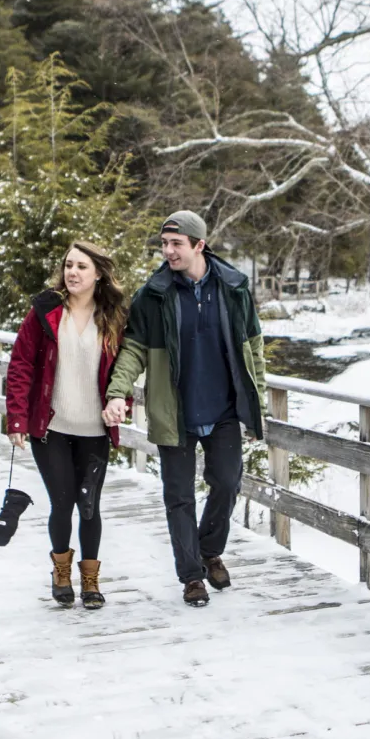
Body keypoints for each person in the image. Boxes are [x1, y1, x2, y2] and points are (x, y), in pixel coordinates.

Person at [103, 211, 267, 607]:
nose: (168, 251)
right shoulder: (154, 295)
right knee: (179, 497)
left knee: (227, 484)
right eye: (164, 244)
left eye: (176, 244)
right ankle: (192, 576)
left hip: (224, 410)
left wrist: (256, 401)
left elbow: (253, 347)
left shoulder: (234, 288)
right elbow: (134, 350)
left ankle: (209, 550)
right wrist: (116, 392)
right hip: (174, 412)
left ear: (199, 245)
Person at [6, 241, 129, 610]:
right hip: (52, 429)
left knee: (89, 506)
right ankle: (61, 572)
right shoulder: (45, 311)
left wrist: (121, 403)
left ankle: (90, 580)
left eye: (81, 267)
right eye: (68, 265)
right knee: (62, 503)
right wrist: (17, 418)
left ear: (99, 274)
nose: (72, 272)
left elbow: (123, 372)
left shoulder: (114, 318)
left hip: (95, 431)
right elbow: (21, 364)